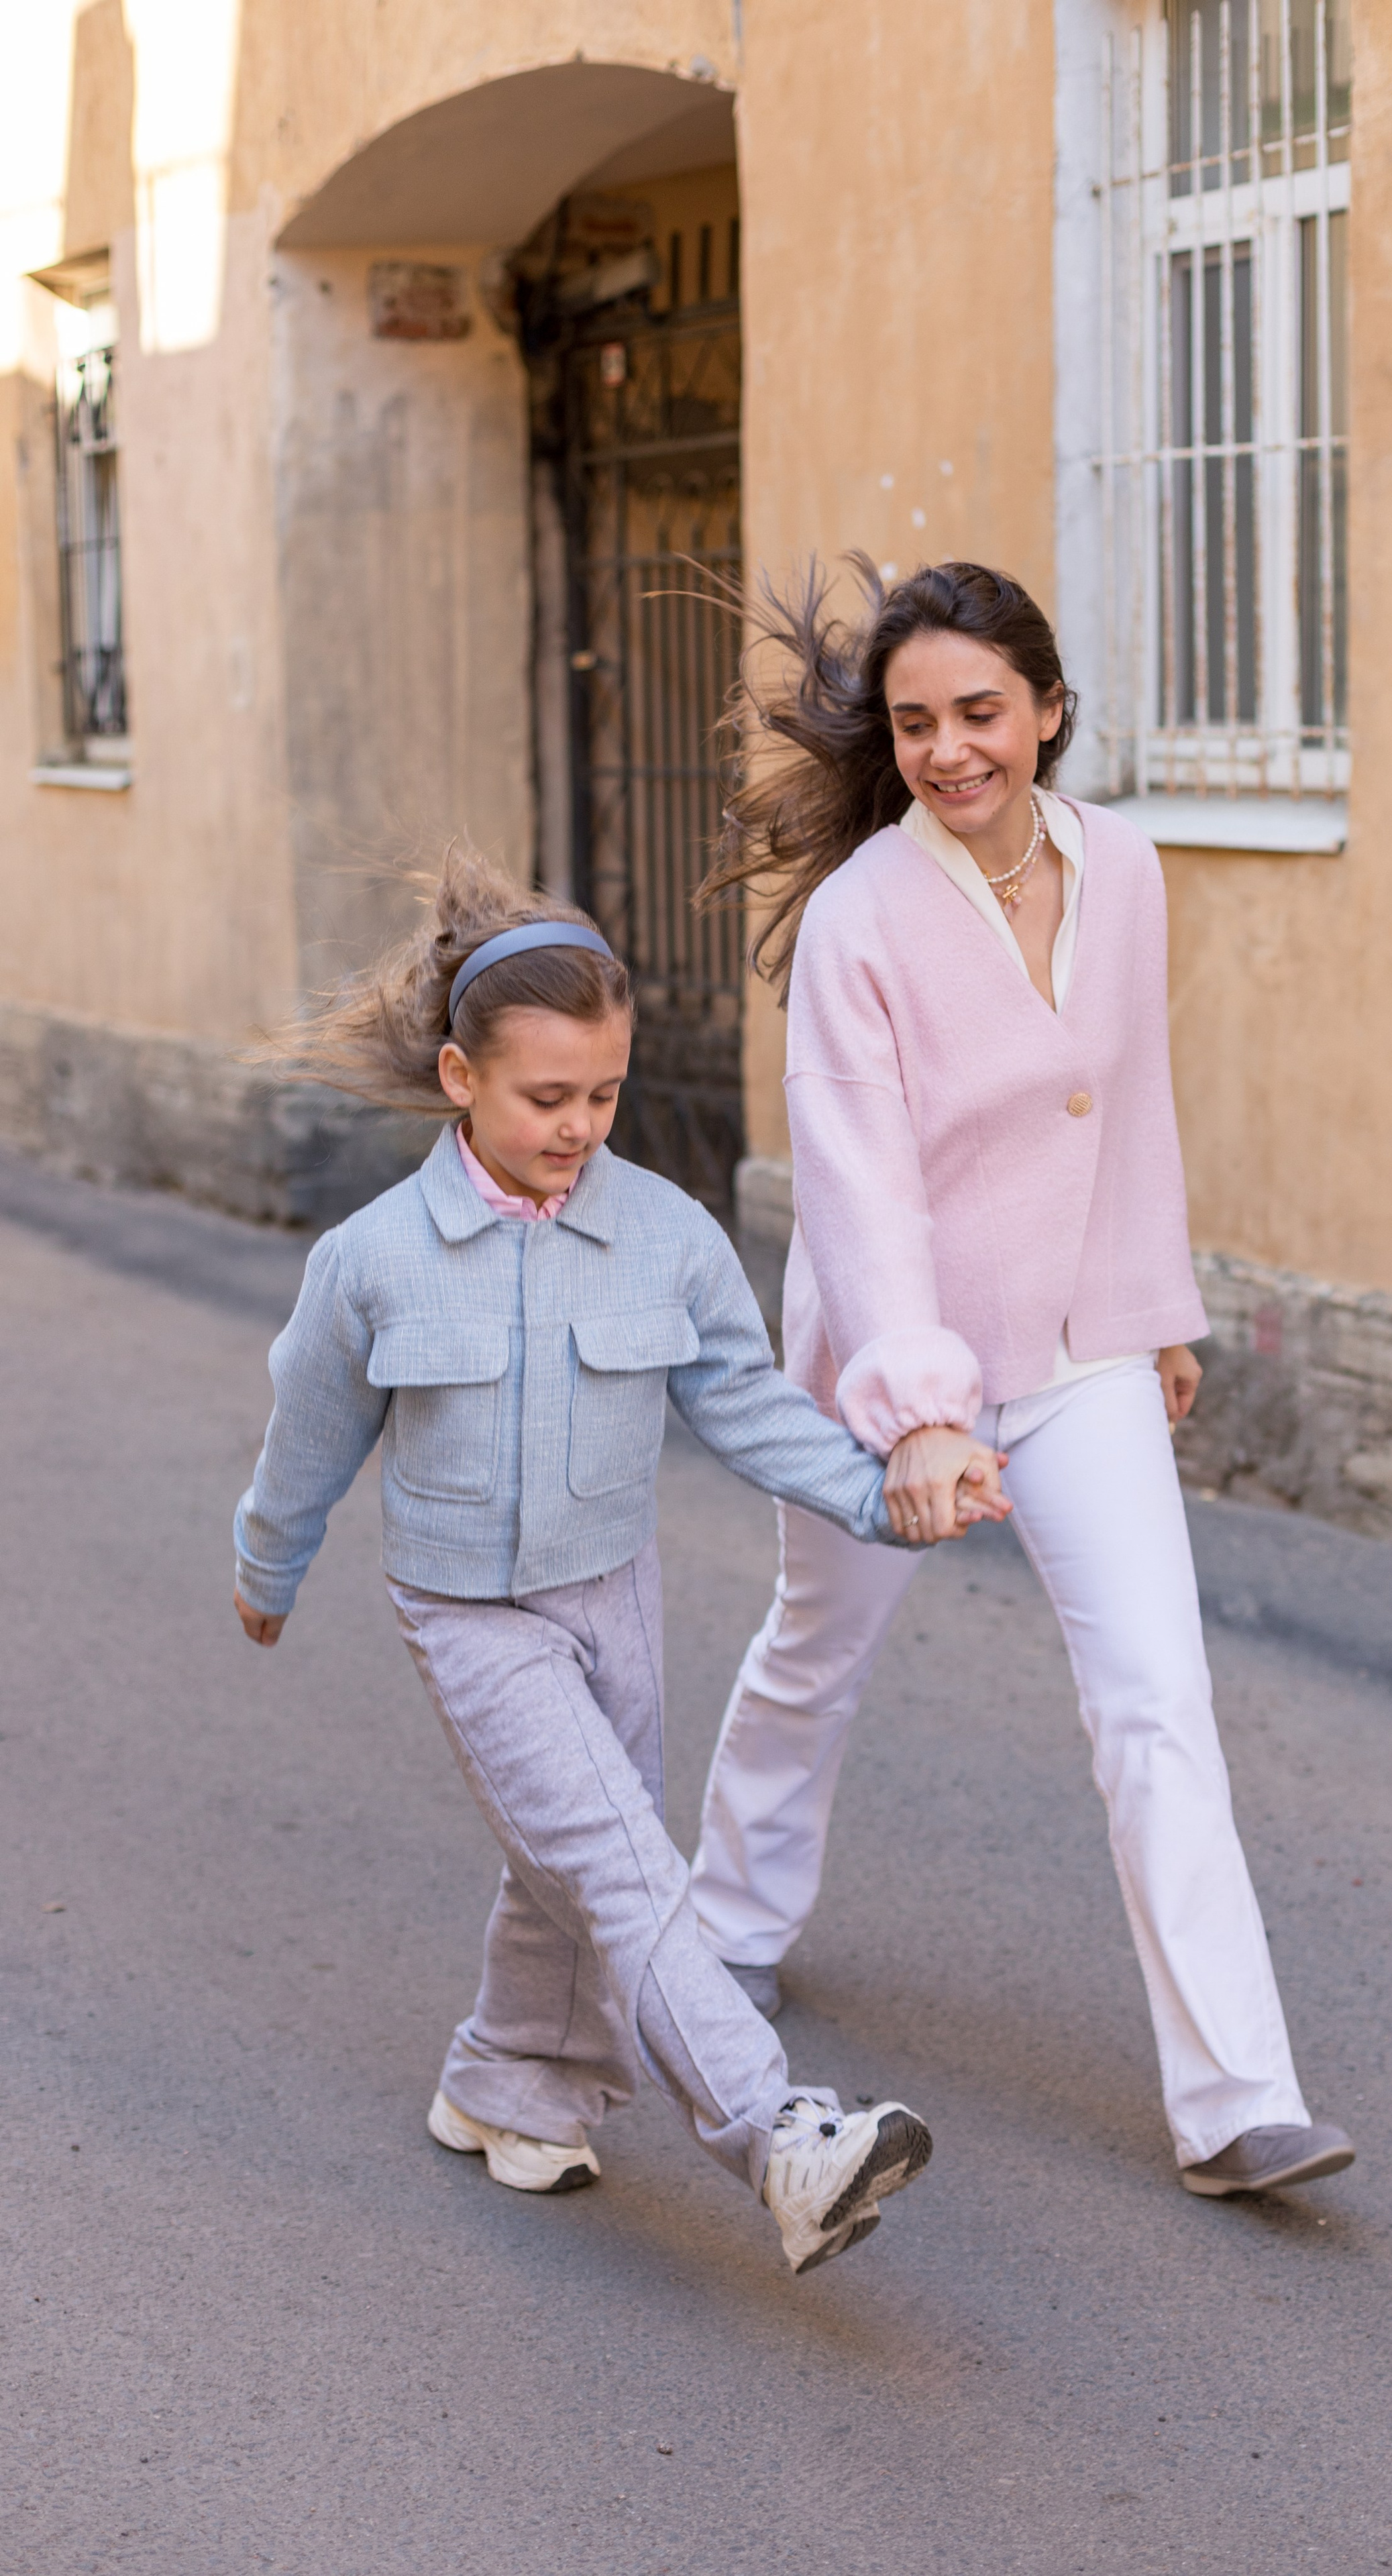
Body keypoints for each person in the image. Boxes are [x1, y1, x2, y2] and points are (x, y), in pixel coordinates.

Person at [230, 845, 1009, 2272]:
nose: (580, 1124)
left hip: (614, 1598)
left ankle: (506, 2086)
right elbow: (308, 1433)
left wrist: (879, 1494)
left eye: (602, 1094)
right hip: (469, 1614)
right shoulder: (372, 1259)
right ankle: (780, 2136)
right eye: (546, 1098)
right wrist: (266, 1569)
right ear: (460, 1078)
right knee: (626, 1865)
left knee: (571, 1868)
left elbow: (749, 1407)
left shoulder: (664, 1236)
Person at [688, 560, 1353, 2198]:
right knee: (812, 1648)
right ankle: (726, 1923)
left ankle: (1233, 2102)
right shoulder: (858, 918)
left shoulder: (1120, 867)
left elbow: (1127, 1103)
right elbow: (857, 1185)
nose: (945, 749)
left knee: (1155, 1700)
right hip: (884, 1360)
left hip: (1077, 1352)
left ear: (1048, 711)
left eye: (978, 712)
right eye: (914, 721)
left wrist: (1153, 1307)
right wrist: (916, 1409)